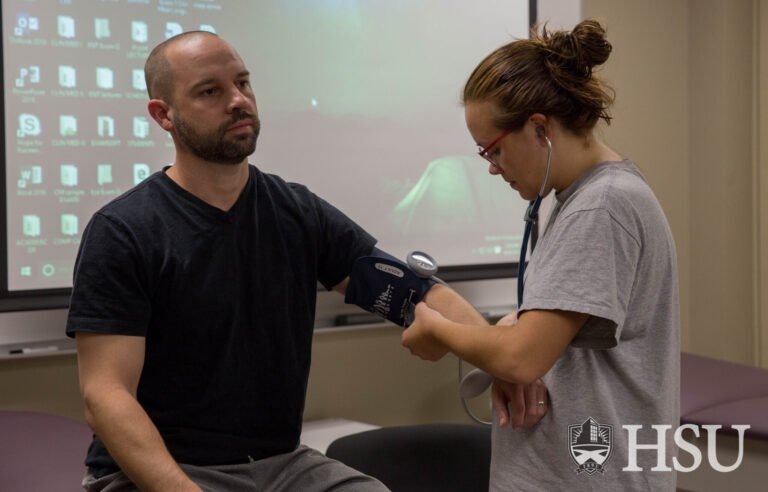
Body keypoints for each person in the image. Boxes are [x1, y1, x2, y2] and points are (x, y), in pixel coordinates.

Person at [66, 31, 488, 492]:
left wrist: (499, 362)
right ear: (163, 114)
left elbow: (414, 294)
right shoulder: (123, 231)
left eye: (243, 84)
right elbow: (105, 396)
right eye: (210, 91)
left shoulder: (297, 213)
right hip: (159, 471)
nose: (237, 101)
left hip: (281, 465)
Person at [402, 19, 680, 491]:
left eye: (493, 150)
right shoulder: (578, 199)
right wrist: (514, 331)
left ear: (538, 128)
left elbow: (523, 359)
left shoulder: (601, 206)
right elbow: (553, 329)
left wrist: (438, 327)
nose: (491, 169)